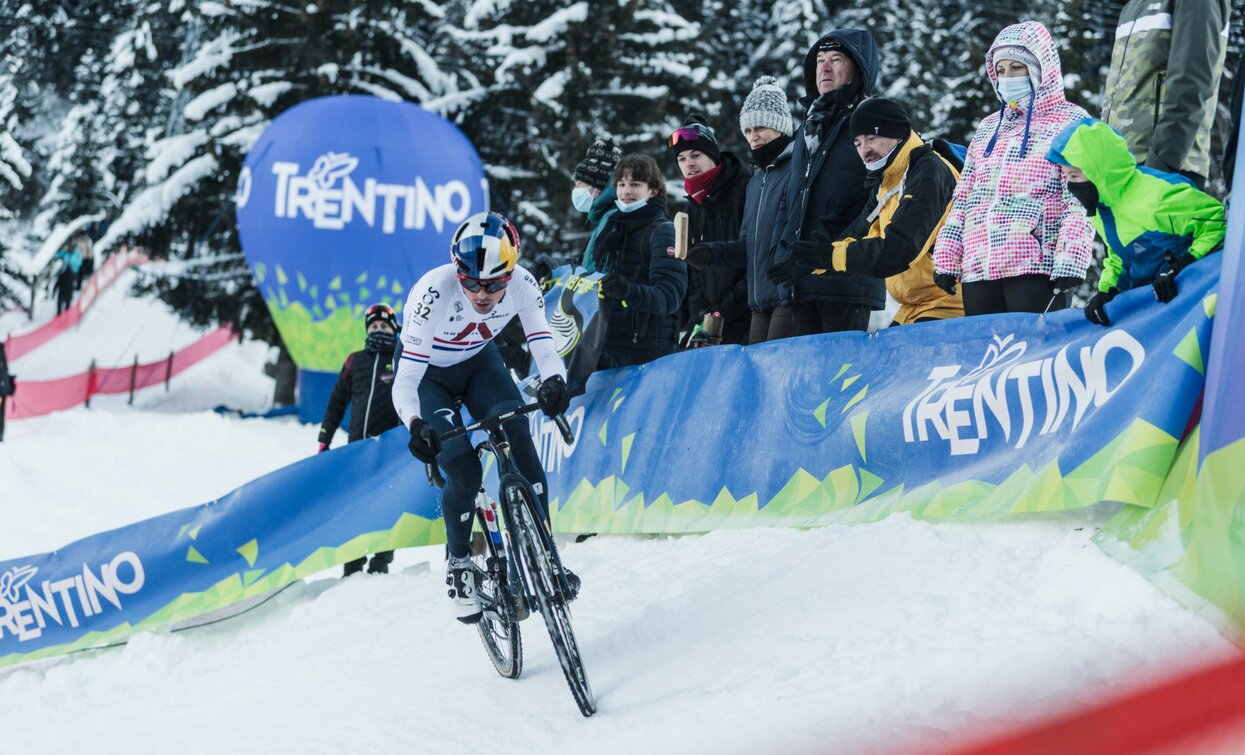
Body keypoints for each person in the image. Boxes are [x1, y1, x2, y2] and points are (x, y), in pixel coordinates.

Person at [391, 211, 574, 623]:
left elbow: (545, 348)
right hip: (428, 378)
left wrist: (555, 382)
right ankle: (459, 563)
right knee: (466, 472)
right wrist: (416, 425)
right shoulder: (433, 292)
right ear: (458, 270)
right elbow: (406, 378)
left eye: (493, 284)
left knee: (518, 435)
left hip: (479, 364)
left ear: (510, 272)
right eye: (471, 282)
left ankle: (547, 556)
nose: (482, 293)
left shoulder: (524, 285)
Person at [932, 21, 1095, 317]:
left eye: (1016, 68)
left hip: (1034, 268)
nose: (1007, 78)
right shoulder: (987, 128)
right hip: (979, 269)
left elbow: (1080, 200)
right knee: (986, 361)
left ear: (1039, 68)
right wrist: (947, 255)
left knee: (1032, 360)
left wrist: (1072, 258)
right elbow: (964, 197)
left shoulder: (1071, 121)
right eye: (1001, 70)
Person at [785, 97, 964, 326]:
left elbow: (899, 249)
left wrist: (831, 256)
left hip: (949, 304)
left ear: (897, 135)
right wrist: (820, 258)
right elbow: (861, 235)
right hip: (913, 307)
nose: (865, 150)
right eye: (857, 143)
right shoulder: (886, 179)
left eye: (872, 138)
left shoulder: (929, 172)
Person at [1046, 118, 1226, 326]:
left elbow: (1217, 221)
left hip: (1202, 300)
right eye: (1067, 177)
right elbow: (1119, 256)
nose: (1071, 185)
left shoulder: (1157, 196)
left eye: (1075, 176)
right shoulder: (1103, 208)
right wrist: (1108, 291)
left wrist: (1183, 266)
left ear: (1098, 170)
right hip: (1165, 307)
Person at [765, 29, 885, 337]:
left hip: (845, 279)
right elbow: (789, 201)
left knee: (839, 382)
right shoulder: (809, 126)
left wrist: (828, 252)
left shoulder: (871, 120)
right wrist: (781, 253)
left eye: (836, 59)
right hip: (800, 281)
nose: (825, 68)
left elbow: (880, 198)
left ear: (858, 69)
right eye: (819, 60)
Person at [685, 76, 797, 345]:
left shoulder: (795, 170)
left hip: (788, 295)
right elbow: (748, 246)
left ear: (780, 127)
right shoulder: (758, 180)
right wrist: (712, 254)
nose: (753, 136)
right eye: (747, 130)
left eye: (760, 127)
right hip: (758, 301)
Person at [1102, 0, 1229, 190]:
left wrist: (1161, 166)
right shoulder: (1133, 6)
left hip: (1165, 170)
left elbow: (1191, 83)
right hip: (1121, 170)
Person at [317, 302, 404, 577]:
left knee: (387, 504)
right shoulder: (355, 361)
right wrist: (324, 438)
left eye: (384, 326)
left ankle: (380, 563)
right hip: (356, 449)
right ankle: (352, 565)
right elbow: (335, 402)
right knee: (354, 506)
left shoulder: (402, 358)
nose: (378, 330)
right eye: (374, 327)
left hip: (389, 450)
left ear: (394, 329)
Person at [593, 154, 687, 368]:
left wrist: (629, 292)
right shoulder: (613, 227)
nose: (626, 191)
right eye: (621, 184)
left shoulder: (663, 231)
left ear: (653, 190)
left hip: (646, 356)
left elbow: (670, 295)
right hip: (606, 349)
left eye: (635, 184)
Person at [668, 114, 751, 345]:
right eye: (682, 159)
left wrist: (726, 310)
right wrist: (704, 315)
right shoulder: (692, 207)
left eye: (696, 155)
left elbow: (753, 256)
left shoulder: (745, 188)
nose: (689, 163)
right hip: (711, 325)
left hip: (748, 316)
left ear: (713, 156)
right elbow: (694, 277)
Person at [572, 138, 624, 274]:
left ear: (596, 186)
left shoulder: (612, 217)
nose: (575, 190)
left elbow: (597, 272)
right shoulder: (604, 215)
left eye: (579, 184)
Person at [51, 244, 82, 315]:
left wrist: (74, 267)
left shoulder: (76, 254)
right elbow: (58, 254)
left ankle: (65, 315)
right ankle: (60, 315)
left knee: (65, 303)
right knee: (62, 303)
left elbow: (79, 262)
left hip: (73, 274)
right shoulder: (66, 253)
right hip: (66, 277)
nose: (70, 250)